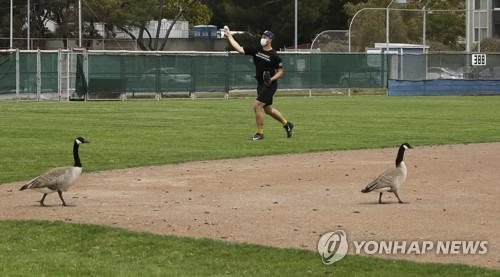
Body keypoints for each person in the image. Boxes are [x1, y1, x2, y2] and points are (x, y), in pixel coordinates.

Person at [224, 26, 294, 141]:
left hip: (270, 84)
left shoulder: (274, 56)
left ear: (270, 39)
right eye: (262, 36)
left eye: (265, 37)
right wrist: (229, 36)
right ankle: (287, 124)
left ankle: (260, 134)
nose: (262, 38)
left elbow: (281, 71)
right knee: (268, 110)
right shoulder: (257, 49)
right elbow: (239, 49)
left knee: (257, 106)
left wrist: (272, 79)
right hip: (261, 84)